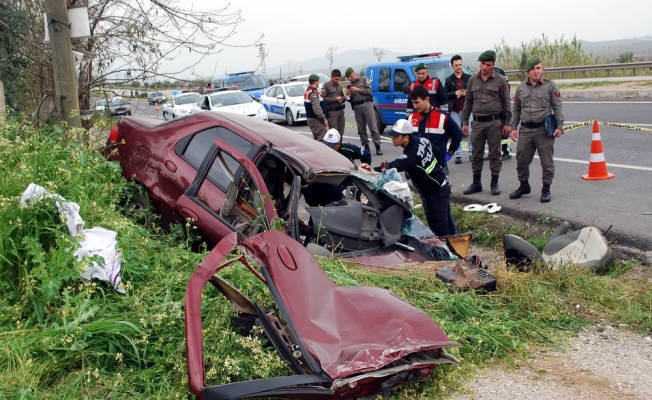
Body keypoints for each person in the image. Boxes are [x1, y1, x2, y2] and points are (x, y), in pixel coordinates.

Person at [360, 120, 454, 237]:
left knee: (440, 231)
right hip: (441, 187)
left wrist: (372, 169)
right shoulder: (422, 140)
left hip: (435, 195)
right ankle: (458, 249)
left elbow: (393, 165)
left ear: (406, 137)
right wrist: (438, 170)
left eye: (396, 135)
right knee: (449, 226)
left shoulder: (411, 155)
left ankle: (451, 253)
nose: (393, 138)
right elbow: (438, 152)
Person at [509, 56, 564, 203]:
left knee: (547, 162)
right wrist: (513, 127)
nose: (536, 71)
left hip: (543, 130)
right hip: (526, 130)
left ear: (542, 69)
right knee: (521, 161)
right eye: (533, 69)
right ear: (528, 71)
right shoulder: (521, 88)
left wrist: (560, 126)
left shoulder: (550, 86)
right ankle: (524, 185)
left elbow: (557, 107)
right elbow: (516, 110)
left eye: (538, 68)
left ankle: (546, 189)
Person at [461, 50, 512, 196]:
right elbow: (468, 102)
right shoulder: (472, 80)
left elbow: (506, 103)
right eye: (482, 64)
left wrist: (508, 123)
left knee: (495, 154)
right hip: (477, 123)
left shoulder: (500, 80)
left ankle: (494, 183)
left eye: (488, 65)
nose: (484, 67)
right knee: (476, 155)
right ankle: (476, 183)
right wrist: (465, 122)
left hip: (494, 123)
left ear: (493, 65)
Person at [407, 85, 462, 171]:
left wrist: (450, 152)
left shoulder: (442, 116)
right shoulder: (411, 117)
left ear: (427, 99)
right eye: (413, 102)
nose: (414, 106)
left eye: (417, 102)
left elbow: (457, 134)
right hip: (417, 165)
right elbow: (407, 140)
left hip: (437, 165)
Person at [345, 67, 383, 155]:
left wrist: (357, 89)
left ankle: (377, 146)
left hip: (366, 104)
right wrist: (349, 93)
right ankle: (366, 146)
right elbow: (349, 99)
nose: (350, 78)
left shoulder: (364, 79)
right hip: (357, 106)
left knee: (373, 126)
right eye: (348, 77)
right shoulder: (350, 85)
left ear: (354, 73)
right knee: (361, 128)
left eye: (351, 76)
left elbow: (369, 92)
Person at [444, 55, 472, 164]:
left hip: (467, 109)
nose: (459, 67)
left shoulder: (469, 78)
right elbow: (445, 95)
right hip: (455, 109)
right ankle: (458, 155)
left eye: (460, 65)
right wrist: (455, 94)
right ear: (452, 66)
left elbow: (474, 91)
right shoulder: (448, 80)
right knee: (457, 133)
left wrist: (466, 93)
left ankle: (471, 153)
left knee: (470, 132)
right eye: (456, 65)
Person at [321, 69, 346, 137]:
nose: (337, 81)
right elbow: (324, 99)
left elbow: (342, 95)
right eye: (336, 79)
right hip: (332, 112)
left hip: (340, 110)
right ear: (331, 77)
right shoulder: (326, 86)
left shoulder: (340, 86)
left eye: (338, 79)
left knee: (341, 131)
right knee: (334, 132)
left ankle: (340, 145)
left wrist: (344, 98)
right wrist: (335, 99)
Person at [303, 74, 329, 141]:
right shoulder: (313, 93)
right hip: (315, 119)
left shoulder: (309, 90)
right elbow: (316, 108)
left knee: (316, 139)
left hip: (313, 119)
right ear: (315, 82)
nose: (319, 82)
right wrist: (323, 118)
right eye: (318, 81)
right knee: (322, 139)